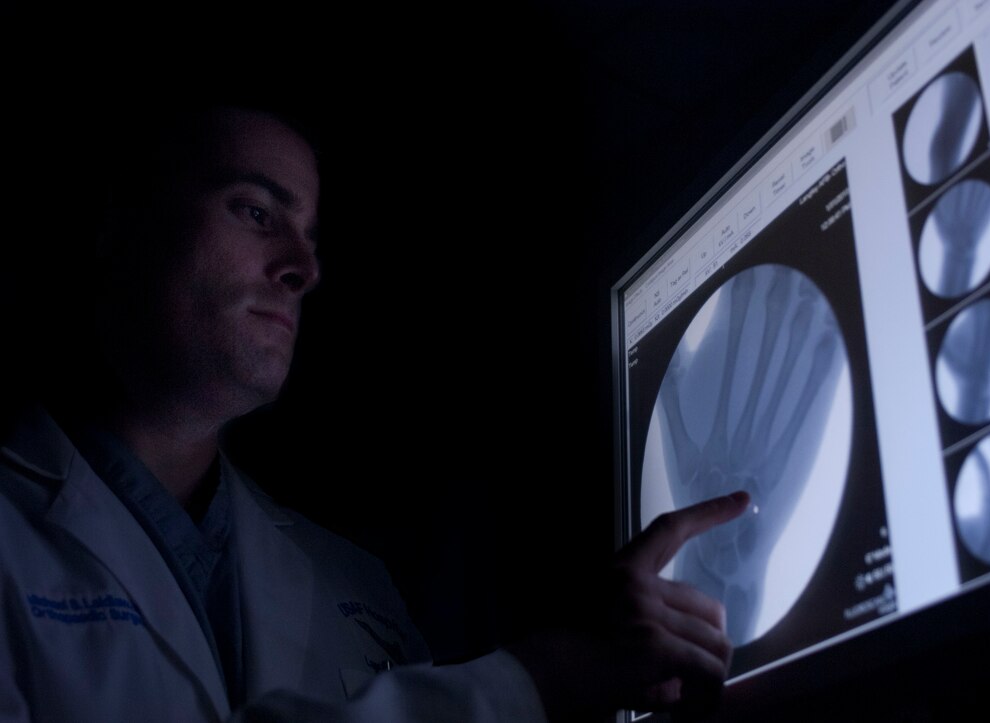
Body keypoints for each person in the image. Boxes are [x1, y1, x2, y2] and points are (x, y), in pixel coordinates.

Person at [0, 105, 749, 722]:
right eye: (257, 211)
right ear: (120, 224)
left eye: (311, 237)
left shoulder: (356, 586)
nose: (304, 267)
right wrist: (533, 681)